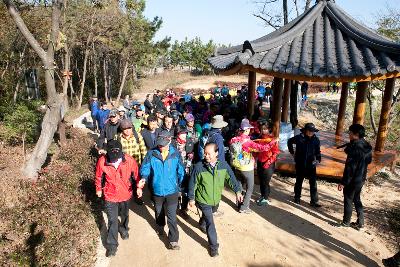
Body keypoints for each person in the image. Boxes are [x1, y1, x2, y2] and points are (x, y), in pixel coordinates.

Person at [188, 142, 243, 257]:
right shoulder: (199, 167)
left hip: (215, 199)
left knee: (208, 216)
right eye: (205, 153)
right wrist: (191, 198)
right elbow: (192, 183)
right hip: (203, 199)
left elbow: (231, 179)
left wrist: (237, 191)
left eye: (209, 154)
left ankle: (202, 222)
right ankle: (213, 247)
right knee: (210, 222)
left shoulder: (224, 165)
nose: (206, 156)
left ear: (216, 153)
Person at [139, 131, 185, 250]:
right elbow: (145, 168)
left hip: (172, 191)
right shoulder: (151, 154)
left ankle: (173, 240)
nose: (161, 147)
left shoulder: (176, 154)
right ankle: (160, 226)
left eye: (163, 144)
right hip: (157, 190)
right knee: (159, 212)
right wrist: (144, 178)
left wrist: (179, 186)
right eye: (159, 144)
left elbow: (181, 171)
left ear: (170, 141)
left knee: (172, 217)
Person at [95, 140, 139, 257]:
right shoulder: (102, 161)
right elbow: (98, 176)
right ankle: (112, 245)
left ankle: (124, 228)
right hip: (110, 194)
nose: (114, 159)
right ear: (107, 152)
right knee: (113, 220)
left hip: (125, 193)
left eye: (117, 156)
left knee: (124, 214)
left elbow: (136, 175)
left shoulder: (129, 160)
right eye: (112, 156)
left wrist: (139, 187)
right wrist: (98, 189)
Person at [229, 119, 276, 213]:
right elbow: (263, 148)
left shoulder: (234, 139)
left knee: (240, 186)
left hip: (237, 166)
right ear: (246, 130)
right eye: (249, 129)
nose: (250, 130)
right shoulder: (248, 142)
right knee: (249, 188)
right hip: (247, 167)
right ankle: (244, 207)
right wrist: (273, 141)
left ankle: (239, 204)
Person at [337, 124, 372, 229]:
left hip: (353, 179)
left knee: (348, 198)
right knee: (356, 198)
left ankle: (345, 222)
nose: (349, 134)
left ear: (355, 134)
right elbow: (368, 161)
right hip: (361, 178)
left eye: (350, 132)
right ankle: (360, 221)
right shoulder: (367, 145)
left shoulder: (355, 148)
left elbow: (350, 168)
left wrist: (343, 182)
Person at [288, 123, 322, 207]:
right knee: (299, 181)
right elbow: (289, 141)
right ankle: (297, 197)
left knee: (313, 183)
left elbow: (318, 151)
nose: (311, 132)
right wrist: (292, 152)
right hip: (300, 163)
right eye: (309, 131)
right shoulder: (299, 138)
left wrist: (318, 159)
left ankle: (314, 201)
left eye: (313, 131)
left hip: (311, 165)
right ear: (305, 131)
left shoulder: (316, 140)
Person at [254, 120, 279, 206]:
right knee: (261, 181)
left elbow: (275, 153)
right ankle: (262, 196)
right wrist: (255, 159)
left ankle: (265, 198)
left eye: (265, 129)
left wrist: (268, 162)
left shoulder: (272, 140)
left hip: (269, 164)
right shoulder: (259, 138)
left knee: (265, 181)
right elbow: (257, 150)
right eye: (262, 129)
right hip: (260, 162)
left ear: (269, 129)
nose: (263, 130)